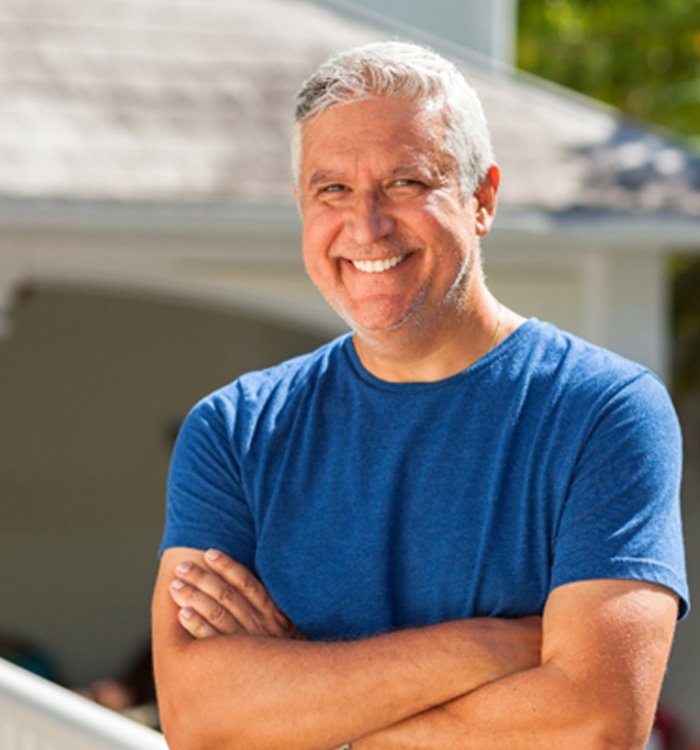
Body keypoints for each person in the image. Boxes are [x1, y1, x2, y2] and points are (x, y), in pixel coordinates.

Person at [152, 41, 688, 749]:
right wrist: (498, 647)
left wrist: (318, 713)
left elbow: (592, 721)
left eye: (407, 183)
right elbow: (200, 720)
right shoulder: (236, 432)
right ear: (301, 207)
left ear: (483, 199)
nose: (366, 226)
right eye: (332, 190)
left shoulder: (604, 412)